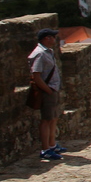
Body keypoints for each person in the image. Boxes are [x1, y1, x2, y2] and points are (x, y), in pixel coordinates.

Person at [30, 28, 63, 160]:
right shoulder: (40, 54)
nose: (55, 39)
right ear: (46, 38)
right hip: (47, 90)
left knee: (53, 118)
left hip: (52, 89)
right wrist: (48, 90)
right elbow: (36, 75)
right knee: (46, 120)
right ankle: (45, 149)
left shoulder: (48, 52)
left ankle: (52, 144)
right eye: (53, 37)